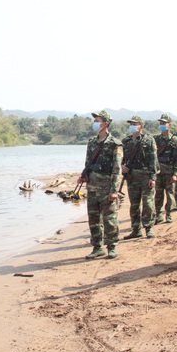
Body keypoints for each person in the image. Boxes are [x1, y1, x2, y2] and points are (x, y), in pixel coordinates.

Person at [78, 110, 123, 259]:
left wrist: (114, 190)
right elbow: (88, 163)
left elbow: (117, 169)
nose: (95, 123)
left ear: (106, 123)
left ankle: (112, 247)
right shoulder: (91, 142)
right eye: (95, 121)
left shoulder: (115, 144)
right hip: (92, 187)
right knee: (94, 220)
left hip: (106, 187)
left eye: (97, 121)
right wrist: (84, 176)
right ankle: (97, 247)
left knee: (109, 219)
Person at [121, 116, 158, 239]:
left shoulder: (149, 140)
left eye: (135, 124)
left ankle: (148, 228)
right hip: (132, 177)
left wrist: (153, 177)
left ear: (141, 126)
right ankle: (136, 229)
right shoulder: (126, 141)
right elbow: (123, 159)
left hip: (145, 176)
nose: (132, 126)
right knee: (134, 204)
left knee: (148, 203)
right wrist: (123, 167)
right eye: (131, 124)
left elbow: (153, 160)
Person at [153, 114, 177, 224]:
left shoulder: (175, 140)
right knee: (158, 194)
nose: (162, 125)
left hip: (169, 171)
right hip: (158, 171)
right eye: (160, 123)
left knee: (170, 194)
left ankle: (168, 214)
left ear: (169, 125)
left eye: (164, 123)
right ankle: (158, 215)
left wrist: (175, 173)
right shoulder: (155, 139)